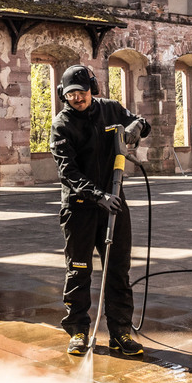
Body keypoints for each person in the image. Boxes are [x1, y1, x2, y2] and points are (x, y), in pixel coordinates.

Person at [50, 64, 150, 358]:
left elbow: (142, 123)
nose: (77, 98)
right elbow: (68, 172)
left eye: (81, 92)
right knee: (78, 270)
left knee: (118, 271)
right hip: (79, 208)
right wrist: (97, 195)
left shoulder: (111, 109)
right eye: (71, 94)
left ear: (92, 88)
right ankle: (78, 331)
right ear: (63, 95)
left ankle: (120, 333)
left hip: (114, 204)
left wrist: (137, 127)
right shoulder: (61, 125)